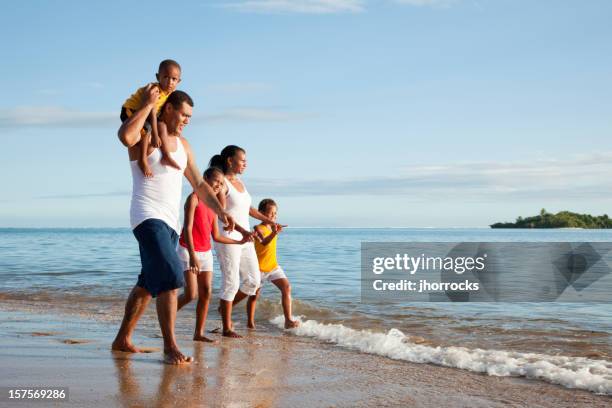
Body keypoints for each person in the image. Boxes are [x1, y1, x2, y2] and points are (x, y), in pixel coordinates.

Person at [112, 88, 235, 365]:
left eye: (190, 116)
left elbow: (200, 185)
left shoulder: (184, 146)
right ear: (168, 109)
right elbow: (124, 137)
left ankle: (122, 338)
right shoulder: (145, 136)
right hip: (146, 216)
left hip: (170, 223)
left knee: (146, 284)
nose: (187, 120)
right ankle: (171, 347)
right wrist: (147, 105)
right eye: (184, 114)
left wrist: (220, 210)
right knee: (170, 277)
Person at [210, 145, 280, 338]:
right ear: (230, 161)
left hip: (245, 237)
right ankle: (227, 327)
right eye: (242, 160)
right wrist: (242, 232)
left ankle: (225, 307)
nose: (245, 164)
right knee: (231, 282)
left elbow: (248, 209)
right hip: (229, 238)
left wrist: (269, 221)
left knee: (253, 281)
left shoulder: (239, 182)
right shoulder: (222, 183)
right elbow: (223, 215)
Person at [176, 167, 251, 342]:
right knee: (191, 294)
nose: (218, 185)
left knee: (207, 292)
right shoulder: (193, 198)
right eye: (215, 181)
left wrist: (238, 242)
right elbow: (187, 228)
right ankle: (167, 315)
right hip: (188, 250)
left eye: (221, 183)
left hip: (205, 252)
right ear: (204, 179)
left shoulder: (213, 205)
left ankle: (198, 333)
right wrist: (193, 256)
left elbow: (216, 236)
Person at [234, 198, 299, 329]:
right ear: (261, 213)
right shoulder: (258, 228)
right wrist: (274, 233)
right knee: (254, 296)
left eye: (275, 213)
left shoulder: (273, 227)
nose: (274, 216)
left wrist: (275, 230)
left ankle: (288, 320)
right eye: (271, 213)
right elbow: (264, 242)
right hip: (258, 268)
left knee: (286, 287)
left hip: (273, 266)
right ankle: (248, 321)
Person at [121, 59, 182, 177]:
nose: (170, 82)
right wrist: (155, 134)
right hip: (131, 110)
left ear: (178, 81)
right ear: (158, 77)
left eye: (174, 79)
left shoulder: (169, 93)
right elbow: (152, 113)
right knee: (147, 129)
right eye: (166, 77)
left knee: (162, 126)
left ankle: (166, 155)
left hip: (148, 114)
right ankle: (142, 160)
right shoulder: (155, 90)